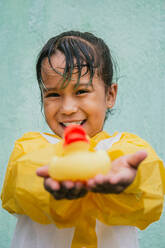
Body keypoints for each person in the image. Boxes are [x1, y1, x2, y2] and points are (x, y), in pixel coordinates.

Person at [1, 31, 165, 248]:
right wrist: (55, 180)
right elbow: (22, 182)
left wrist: (128, 180)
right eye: (53, 95)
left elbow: (150, 188)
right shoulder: (28, 148)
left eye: (81, 91)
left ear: (110, 95)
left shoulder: (128, 147)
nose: (67, 109)